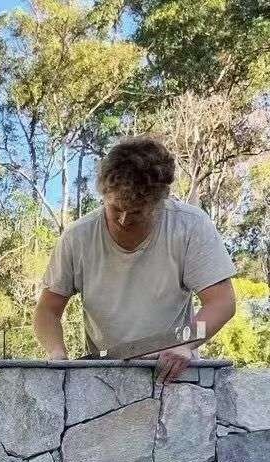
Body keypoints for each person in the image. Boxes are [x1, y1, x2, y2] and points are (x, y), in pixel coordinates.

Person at [34, 135, 237, 379]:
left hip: (172, 370)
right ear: (104, 194)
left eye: (137, 212)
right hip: (104, 371)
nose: (123, 219)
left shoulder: (190, 226)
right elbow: (48, 310)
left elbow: (222, 302)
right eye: (115, 208)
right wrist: (57, 353)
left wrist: (186, 343)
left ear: (159, 201)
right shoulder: (77, 237)